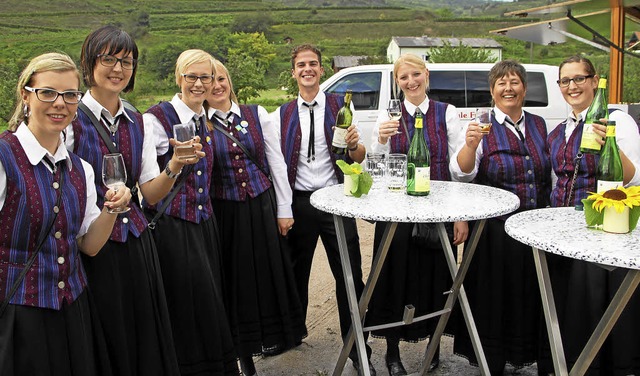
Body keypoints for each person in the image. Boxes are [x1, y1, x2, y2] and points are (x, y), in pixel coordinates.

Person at [66, 26, 200, 376]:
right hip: (94, 249)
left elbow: (150, 192)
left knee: (144, 333)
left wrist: (174, 165)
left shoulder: (137, 120)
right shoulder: (71, 120)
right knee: (108, 335)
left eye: (126, 61)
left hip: (137, 244)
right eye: (108, 59)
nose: (118, 68)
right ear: (89, 63)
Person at [0, 52, 131, 375]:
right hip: (19, 316)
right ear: (26, 95)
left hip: (74, 310)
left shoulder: (81, 169)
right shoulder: (4, 158)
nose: (60, 103)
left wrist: (112, 210)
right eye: (48, 93)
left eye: (70, 95)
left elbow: (89, 245)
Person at [269, 44, 372, 374]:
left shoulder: (340, 108)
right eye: (301, 65)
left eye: (312, 64)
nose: (307, 69)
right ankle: (292, 333)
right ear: (294, 72)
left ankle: (356, 342)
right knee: (294, 272)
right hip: (298, 202)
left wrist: (355, 144)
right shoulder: (281, 114)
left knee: (349, 273)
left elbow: (359, 157)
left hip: (334, 200)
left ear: (321, 70)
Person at [365, 53, 468, 376]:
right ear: (397, 83)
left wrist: (459, 215)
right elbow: (375, 162)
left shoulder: (446, 113)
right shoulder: (389, 114)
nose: (410, 82)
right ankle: (392, 352)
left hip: (436, 212)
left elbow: (457, 169)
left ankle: (432, 347)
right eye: (403, 77)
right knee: (393, 281)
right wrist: (380, 138)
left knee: (436, 281)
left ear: (426, 75)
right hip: (395, 212)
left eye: (415, 75)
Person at [538, 55, 640, 376]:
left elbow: (632, 177)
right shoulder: (557, 132)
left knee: (598, 311)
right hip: (562, 232)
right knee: (568, 309)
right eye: (565, 81)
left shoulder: (618, 121)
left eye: (579, 79)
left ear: (595, 82)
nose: (572, 86)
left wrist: (607, 138)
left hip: (602, 232)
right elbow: (556, 181)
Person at [450, 59, 552, 374]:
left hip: (532, 228)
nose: (508, 88)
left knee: (527, 296)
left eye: (514, 82)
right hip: (494, 231)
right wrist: (469, 146)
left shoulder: (539, 123)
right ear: (492, 91)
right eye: (501, 83)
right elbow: (461, 173)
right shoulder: (481, 125)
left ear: (524, 87)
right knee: (495, 301)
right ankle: (492, 362)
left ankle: (524, 355)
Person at [206, 59, 306, 376]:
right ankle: (243, 355)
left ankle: (275, 338)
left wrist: (284, 209)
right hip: (226, 212)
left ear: (229, 81)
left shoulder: (256, 114)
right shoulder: (200, 124)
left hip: (261, 206)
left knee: (266, 276)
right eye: (210, 81)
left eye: (221, 78)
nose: (217, 85)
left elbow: (276, 163)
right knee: (237, 282)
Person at [143, 50, 238, 375]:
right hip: (173, 227)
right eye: (191, 77)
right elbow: (146, 184)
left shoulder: (205, 119)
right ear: (178, 79)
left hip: (204, 224)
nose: (199, 84)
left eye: (205, 77)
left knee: (210, 302)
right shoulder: (156, 119)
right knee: (186, 305)